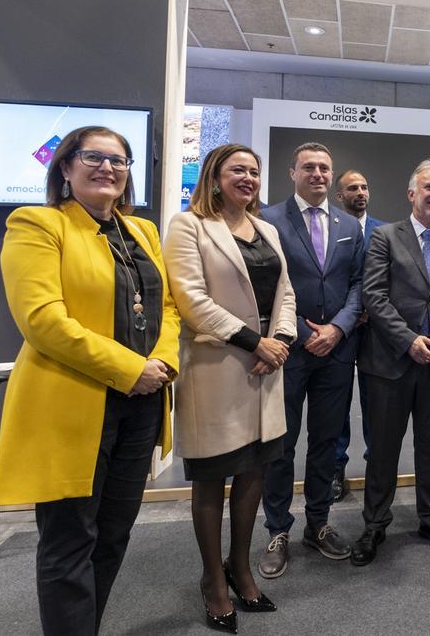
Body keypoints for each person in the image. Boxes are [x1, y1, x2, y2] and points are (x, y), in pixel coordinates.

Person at [0, 126, 180, 635]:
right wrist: (128, 368)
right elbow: (42, 321)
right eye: (93, 157)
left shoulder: (142, 232)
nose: (108, 168)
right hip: (73, 406)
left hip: (141, 406)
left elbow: (166, 308)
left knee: (114, 535)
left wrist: (160, 363)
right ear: (66, 167)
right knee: (69, 541)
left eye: (119, 160)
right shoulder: (37, 223)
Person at [164, 143, 299, 630]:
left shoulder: (267, 229)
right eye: (237, 170)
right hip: (218, 366)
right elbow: (191, 299)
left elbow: (287, 292)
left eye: (254, 171)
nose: (247, 177)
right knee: (212, 479)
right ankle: (211, 580)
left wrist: (280, 340)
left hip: (266, 368)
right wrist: (254, 342)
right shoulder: (189, 226)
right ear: (214, 176)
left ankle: (240, 567)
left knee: (255, 473)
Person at [350, 159, 430, 566]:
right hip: (390, 362)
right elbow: (374, 296)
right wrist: (408, 341)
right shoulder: (385, 237)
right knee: (383, 449)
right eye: (429, 188)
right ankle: (374, 524)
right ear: (412, 194)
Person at [258, 143, 365, 577]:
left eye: (324, 167)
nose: (318, 174)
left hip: (337, 352)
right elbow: (264, 285)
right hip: (288, 349)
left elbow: (359, 286)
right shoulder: (268, 220)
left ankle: (318, 524)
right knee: (281, 445)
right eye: (309, 167)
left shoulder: (349, 225)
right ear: (293, 172)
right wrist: (305, 333)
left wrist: (337, 329)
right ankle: (278, 529)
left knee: (326, 442)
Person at [330, 169, 387, 501]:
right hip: (341, 328)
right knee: (338, 405)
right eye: (353, 188)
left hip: (375, 331)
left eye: (365, 186)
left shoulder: (385, 230)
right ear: (340, 196)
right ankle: (336, 468)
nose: (361, 192)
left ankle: (375, 466)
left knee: (374, 404)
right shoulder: (331, 227)